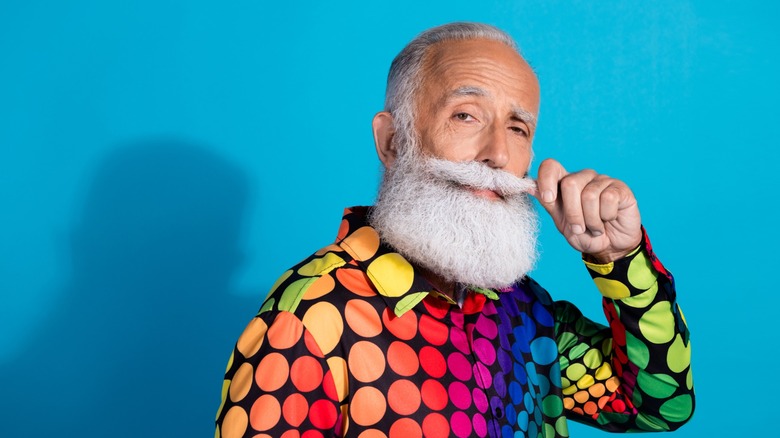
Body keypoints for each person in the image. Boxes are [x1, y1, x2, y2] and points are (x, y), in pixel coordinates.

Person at [215, 22, 694, 438]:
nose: (498, 154)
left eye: (518, 128)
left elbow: (657, 405)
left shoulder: (525, 311)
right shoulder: (309, 318)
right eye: (466, 115)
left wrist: (618, 258)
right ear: (393, 141)